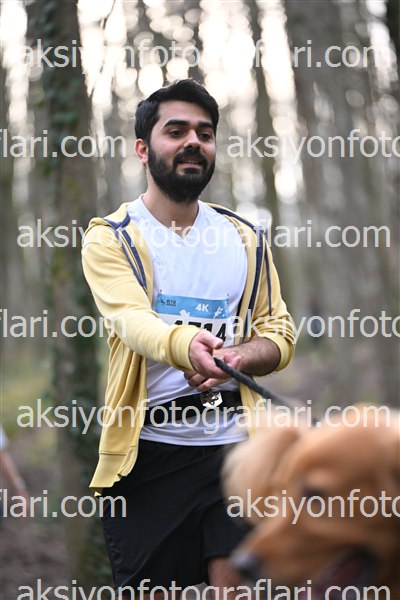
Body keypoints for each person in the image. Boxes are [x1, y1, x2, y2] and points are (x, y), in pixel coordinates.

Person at [82, 79, 295, 598]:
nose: (193, 142)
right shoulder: (111, 237)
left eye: (204, 132)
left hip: (237, 452)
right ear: (143, 149)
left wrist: (239, 355)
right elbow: (132, 320)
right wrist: (186, 346)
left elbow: (279, 332)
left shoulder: (245, 237)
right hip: (149, 455)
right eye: (175, 131)